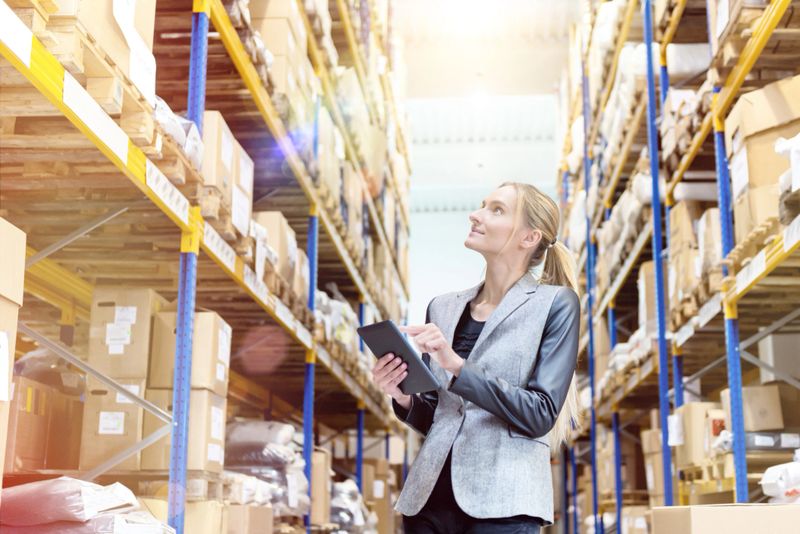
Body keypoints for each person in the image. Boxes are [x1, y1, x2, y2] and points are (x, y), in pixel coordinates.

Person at [371, 182, 580, 534]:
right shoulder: (442, 307)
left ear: (529, 237)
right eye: (483, 205)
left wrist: (455, 365)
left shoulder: (555, 304)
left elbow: (540, 413)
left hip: (504, 505)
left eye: (496, 210)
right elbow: (441, 416)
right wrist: (402, 395)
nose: (475, 215)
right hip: (428, 501)